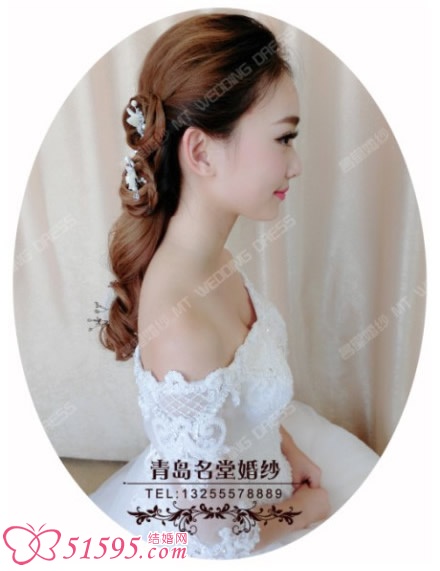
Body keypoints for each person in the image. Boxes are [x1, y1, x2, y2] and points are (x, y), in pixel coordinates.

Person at [90, 12, 378, 559]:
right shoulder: (181, 324)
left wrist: (288, 449)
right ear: (201, 153)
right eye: (284, 138)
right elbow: (207, 538)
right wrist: (306, 510)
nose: (296, 165)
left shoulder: (212, 259)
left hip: (264, 469)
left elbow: (237, 399)